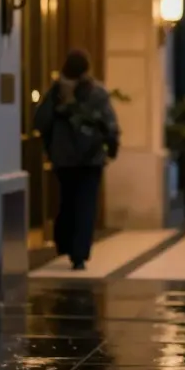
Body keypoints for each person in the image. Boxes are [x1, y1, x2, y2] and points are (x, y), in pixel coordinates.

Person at [34, 48, 120, 270]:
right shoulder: (97, 93)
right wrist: (112, 146)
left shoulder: (56, 93)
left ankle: (65, 244)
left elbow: (41, 122)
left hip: (64, 159)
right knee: (85, 204)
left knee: (67, 201)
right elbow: (109, 123)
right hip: (90, 158)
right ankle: (79, 253)